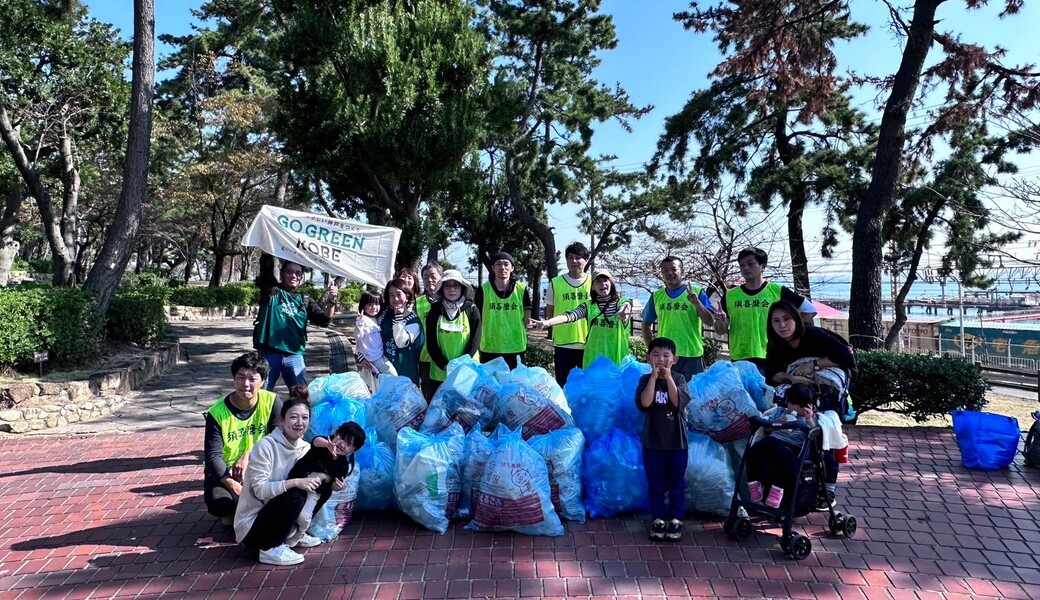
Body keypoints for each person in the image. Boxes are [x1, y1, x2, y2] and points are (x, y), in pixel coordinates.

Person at [764, 300, 854, 509]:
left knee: (824, 438)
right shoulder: (776, 344)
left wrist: (813, 365)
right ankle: (787, 485)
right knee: (787, 433)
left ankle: (828, 490)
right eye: (776, 321)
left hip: (827, 391)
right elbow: (771, 375)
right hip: (797, 392)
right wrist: (793, 378)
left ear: (796, 319)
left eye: (786, 319)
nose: (782, 325)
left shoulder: (814, 335)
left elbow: (846, 357)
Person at [234, 394, 340, 566]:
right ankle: (270, 548)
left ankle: (294, 533)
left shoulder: (306, 448)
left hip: (279, 514)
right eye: (293, 417)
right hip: (253, 527)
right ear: (282, 421)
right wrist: (296, 482)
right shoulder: (265, 446)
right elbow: (260, 490)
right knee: (296, 492)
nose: (299, 422)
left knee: (322, 486)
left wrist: (330, 480)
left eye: (304, 418)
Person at [203, 352, 283, 527]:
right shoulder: (216, 413)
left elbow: (280, 437)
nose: (245, 384)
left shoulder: (272, 401)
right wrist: (234, 486)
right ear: (234, 379)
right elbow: (212, 457)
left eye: (252, 379)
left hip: (262, 466)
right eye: (240, 377)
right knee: (220, 503)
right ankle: (230, 513)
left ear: (262, 382)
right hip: (228, 472)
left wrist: (249, 453)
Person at [713, 247, 816, 370]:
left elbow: (809, 311)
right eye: (742, 265)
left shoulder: (777, 291)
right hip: (739, 358)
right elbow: (720, 331)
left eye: (750, 264)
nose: (746, 268)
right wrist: (720, 322)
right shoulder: (730, 295)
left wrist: (791, 334)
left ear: (762, 266)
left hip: (773, 355)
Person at [253, 252, 338, 391]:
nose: (293, 275)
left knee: (300, 396)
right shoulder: (271, 291)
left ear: (301, 277)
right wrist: (266, 246)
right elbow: (266, 266)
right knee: (262, 395)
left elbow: (324, 320)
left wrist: (332, 300)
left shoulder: (305, 300)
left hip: (294, 355)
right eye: (290, 271)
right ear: (282, 273)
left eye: (298, 273)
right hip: (269, 354)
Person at [635, 337, 692, 542]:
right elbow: (645, 403)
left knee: (677, 483)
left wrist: (668, 379)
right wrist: (653, 378)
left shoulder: (679, 379)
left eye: (666, 356)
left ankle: (676, 519)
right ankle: (658, 518)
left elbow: (678, 404)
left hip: (677, 443)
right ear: (648, 358)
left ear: (674, 360)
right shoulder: (644, 380)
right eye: (656, 355)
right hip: (652, 443)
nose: (660, 360)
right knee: (656, 483)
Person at [532, 269, 633, 369]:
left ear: (611, 283)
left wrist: (623, 315)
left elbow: (626, 307)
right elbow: (569, 316)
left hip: (618, 363)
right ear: (592, 287)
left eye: (605, 280)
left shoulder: (621, 303)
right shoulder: (588, 306)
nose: (603, 284)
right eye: (598, 281)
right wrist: (548, 322)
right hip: (594, 363)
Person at [286, 420, 366, 545]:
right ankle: (286, 535)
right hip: (298, 480)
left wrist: (337, 486)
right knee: (290, 510)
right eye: (342, 438)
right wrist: (327, 445)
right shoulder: (323, 444)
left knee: (304, 518)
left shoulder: (343, 465)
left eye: (349, 445)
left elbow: (335, 483)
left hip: (314, 492)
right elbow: (316, 441)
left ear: (353, 450)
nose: (342, 445)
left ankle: (298, 536)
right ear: (336, 433)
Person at [642, 256, 715, 379]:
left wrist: (697, 303)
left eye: (674, 269)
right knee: (665, 395)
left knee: (693, 395)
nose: (669, 273)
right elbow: (646, 324)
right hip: (665, 357)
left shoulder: (697, 292)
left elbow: (710, 322)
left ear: (682, 271)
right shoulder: (656, 296)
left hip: (692, 355)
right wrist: (652, 349)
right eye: (665, 270)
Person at [745, 391, 817, 509]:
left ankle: (776, 491)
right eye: (793, 403)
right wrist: (777, 423)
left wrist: (809, 419)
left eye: (802, 405)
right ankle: (754, 484)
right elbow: (767, 429)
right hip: (774, 440)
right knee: (754, 450)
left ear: (811, 407)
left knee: (781, 458)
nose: (796, 408)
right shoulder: (779, 412)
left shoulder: (811, 418)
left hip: (792, 446)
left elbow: (815, 435)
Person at [424, 270, 482, 397]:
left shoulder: (472, 310)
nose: (452, 289)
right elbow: (431, 343)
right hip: (440, 372)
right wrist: (445, 366)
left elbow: (475, 341)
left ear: (462, 288)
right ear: (442, 289)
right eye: (447, 285)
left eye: (455, 285)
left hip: (467, 370)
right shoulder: (434, 312)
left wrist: (462, 364)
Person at [544, 242, 591, 386]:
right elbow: (550, 311)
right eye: (570, 258)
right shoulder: (556, 283)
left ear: (586, 260)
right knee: (563, 384)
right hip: (563, 343)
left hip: (588, 342)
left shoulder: (594, 282)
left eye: (578, 257)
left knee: (588, 386)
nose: (574, 261)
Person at [475, 252, 532, 369]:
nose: (502, 267)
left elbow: (527, 320)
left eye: (506, 264)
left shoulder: (522, 289)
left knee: (516, 384)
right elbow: (478, 318)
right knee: (490, 385)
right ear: (493, 268)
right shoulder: (483, 290)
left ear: (512, 268)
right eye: (498, 264)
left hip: (516, 347)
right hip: (490, 347)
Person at [380, 278, 425, 385]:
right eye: (391, 295)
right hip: (385, 370)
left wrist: (399, 316)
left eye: (399, 294)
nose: (395, 298)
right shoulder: (385, 315)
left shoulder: (414, 321)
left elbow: (401, 342)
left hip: (406, 373)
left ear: (407, 296)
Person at [354, 291, 397, 393]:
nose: (374, 307)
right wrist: (359, 324)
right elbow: (357, 337)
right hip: (374, 358)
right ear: (363, 306)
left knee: (378, 384)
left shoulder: (376, 318)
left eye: (377, 304)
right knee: (394, 377)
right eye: (369, 304)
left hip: (377, 356)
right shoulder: (363, 320)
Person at [417, 263, 444, 401]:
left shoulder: (450, 300)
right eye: (425, 277)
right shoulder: (418, 302)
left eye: (433, 276)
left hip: (447, 355)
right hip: (426, 357)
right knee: (429, 395)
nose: (429, 280)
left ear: (441, 277)